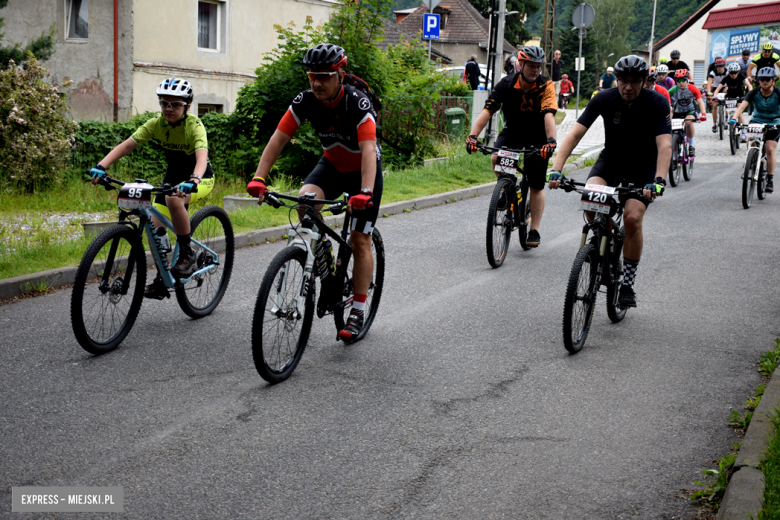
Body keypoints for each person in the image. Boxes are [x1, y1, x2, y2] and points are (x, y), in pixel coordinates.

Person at [246, 43, 381, 341]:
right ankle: (323, 257)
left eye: (324, 76)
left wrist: (366, 191)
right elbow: (278, 139)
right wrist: (259, 177)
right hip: (332, 165)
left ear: (340, 74)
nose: (317, 83)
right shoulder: (305, 101)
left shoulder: (357, 104)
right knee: (305, 202)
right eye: (312, 76)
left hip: (363, 170)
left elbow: (369, 150)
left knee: (360, 239)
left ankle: (357, 310)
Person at [547, 55, 671, 308]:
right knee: (591, 202)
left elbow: (665, 144)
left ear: (644, 81)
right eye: (623, 80)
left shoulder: (657, 102)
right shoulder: (604, 99)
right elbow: (574, 135)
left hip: (643, 167)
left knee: (632, 218)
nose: (628, 87)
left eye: (635, 81)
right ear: (616, 80)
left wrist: (658, 180)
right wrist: (556, 168)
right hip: (611, 161)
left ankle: (627, 284)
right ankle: (604, 244)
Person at [89, 78, 215, 299]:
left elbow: (201, 156)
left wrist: (193, 179)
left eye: (175, 104)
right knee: (153, 229)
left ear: (187, 106)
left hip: (200, 178)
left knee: (174, 200)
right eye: (164, 103)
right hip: (172, 180)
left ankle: (187, 251)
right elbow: (128, 144)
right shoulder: (156, 124)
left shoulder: (194, 125)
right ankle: (162, 278)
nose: (169, 108)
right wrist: (101, 165)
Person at [465, 45, 558, 248]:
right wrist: (472, 136)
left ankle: (534, 229)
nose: (535, 70)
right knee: (496, 157)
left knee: (536, 183)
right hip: (514, 131)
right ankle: (507, 189)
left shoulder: (545, 85)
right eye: (531, 66)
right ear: (521, 65)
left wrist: (551, 141)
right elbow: (487, 111)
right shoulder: (506, 84)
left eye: (538, 66)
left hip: (538, 135)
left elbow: (549, 114)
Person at [730, 67, 780, 194]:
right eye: (762, 79)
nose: (764, 82)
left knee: (769, 150)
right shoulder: (754, 92)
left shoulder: (778, 92)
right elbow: (742, 107)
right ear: (758, 81)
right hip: (757, 120)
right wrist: (734, 119)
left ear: (773, 80)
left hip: (774, 121)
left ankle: (770, 180)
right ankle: (751, 160)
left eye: (767, 80)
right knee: (751, 139)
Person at [667, 69, 707, 157]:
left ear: (687, 80)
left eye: (683, 80)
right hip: (678, 111)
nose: (681, 83)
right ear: (676, 81)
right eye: (678, 80)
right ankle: (674, 157)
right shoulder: (673, 89)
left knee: (688, 122)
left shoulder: (692, 88)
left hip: (691, 110)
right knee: (674, 132)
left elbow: (700, 102)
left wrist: (703, 114)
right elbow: (664, 98)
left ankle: (691, 146)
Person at [714, 62, 752, 142]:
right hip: (730, 95)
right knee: (727, 107)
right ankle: (727, 118)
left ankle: (743, 133)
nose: (733, 75)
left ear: (738, 72)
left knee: (739, 112)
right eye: (731, 73)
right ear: (729, 72)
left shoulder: (741, 76)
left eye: (735, 73)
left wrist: (751, 94)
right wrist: (715, 96)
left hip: (739, 96)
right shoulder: (726, 78)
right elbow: (718, 89)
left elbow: (749, 85)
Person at [707, 58, 728, 132]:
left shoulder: (727, 72)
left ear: (724, 66)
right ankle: (714, 124)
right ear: (716, 66)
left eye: (721, 66)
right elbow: (709, 83)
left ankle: (725, 120)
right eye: (718, 66)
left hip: (725, 87)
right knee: (715, 105)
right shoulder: (713, 72)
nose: (720, 68)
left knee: (727, 104)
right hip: (716, 89)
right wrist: (709, 92)